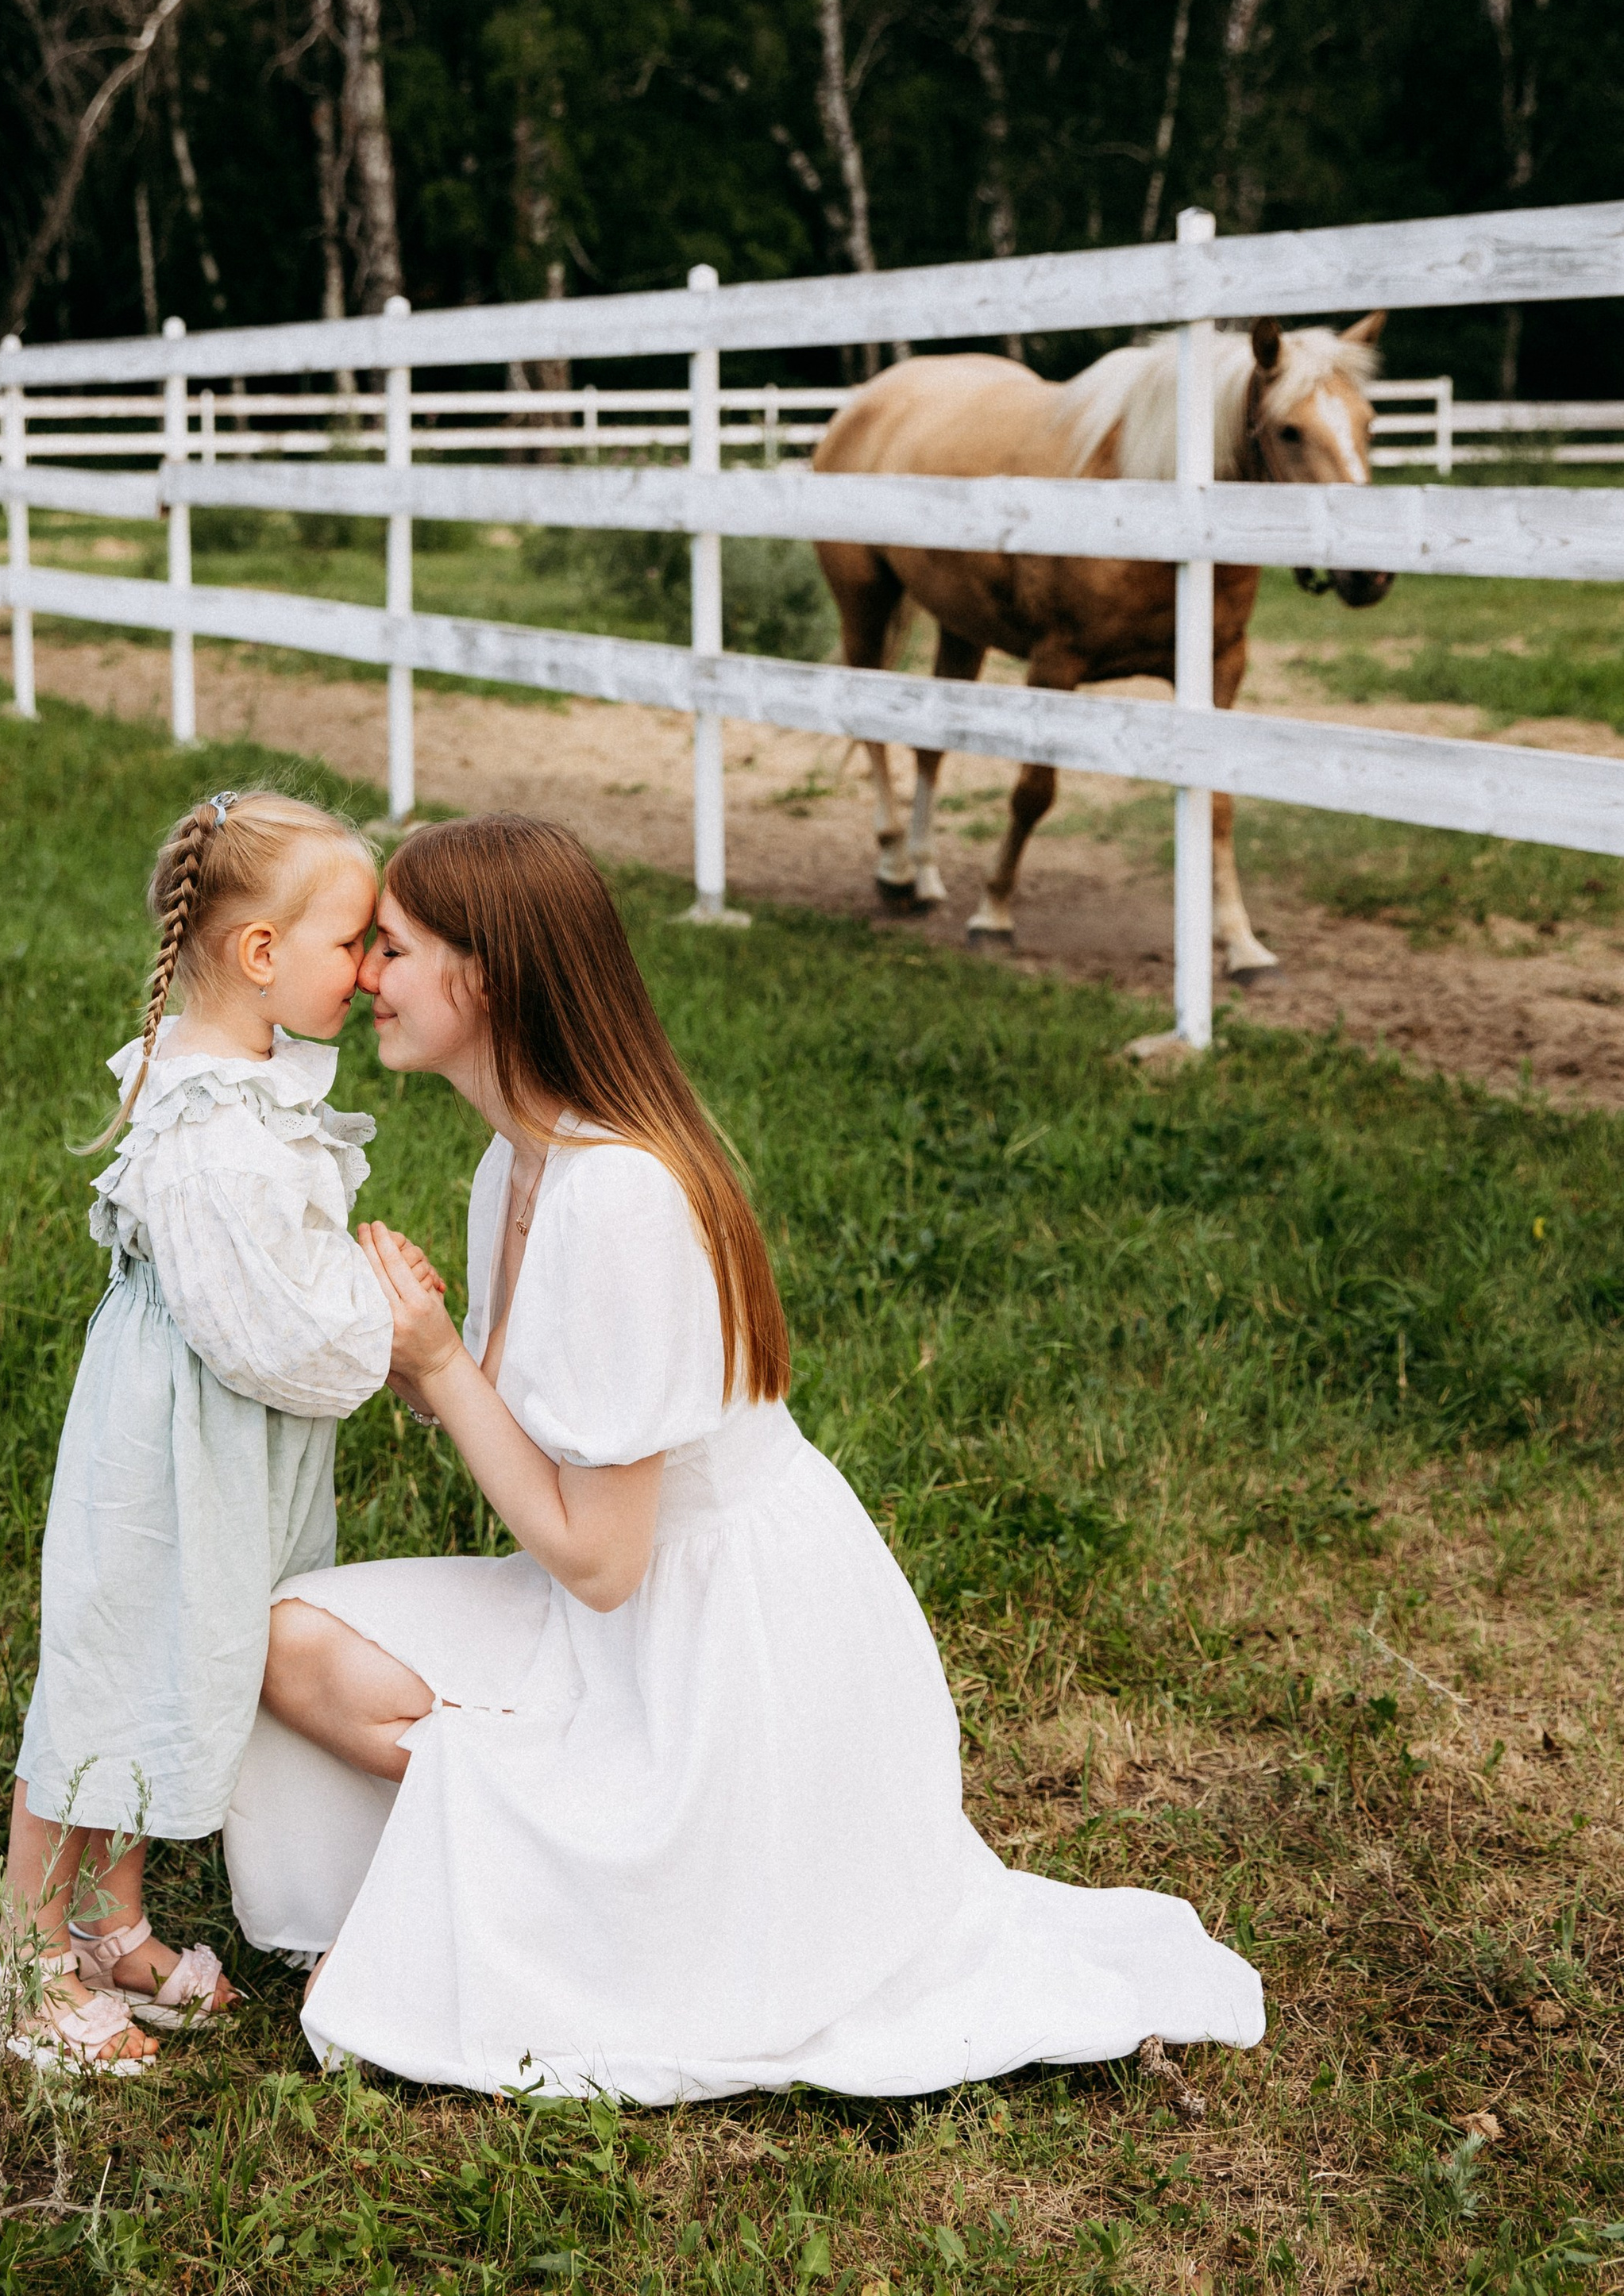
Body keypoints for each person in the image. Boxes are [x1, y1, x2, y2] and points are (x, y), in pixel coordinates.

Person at [222, 812, 1264, 2102]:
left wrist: (441, 1366)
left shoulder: (621, 1196)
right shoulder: (515, 1167)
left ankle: (532, 1886)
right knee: (291, 1642)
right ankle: (510, 1857)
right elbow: (531, 1415)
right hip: (611, 1613)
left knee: (352, 1669)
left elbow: (603, 1560)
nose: (368, 974)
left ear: (485, 975)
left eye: (395, 946)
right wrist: (401, 1351)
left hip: (730, 1651)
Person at [0, 787, 392, 2074]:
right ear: (261, 955)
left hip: (228, 1442)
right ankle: (22, 1962)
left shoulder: (249, 1086)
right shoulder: (208, 1127)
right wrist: (382, 1327)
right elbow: (261, 1329)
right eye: (351, 944)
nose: (368, 976)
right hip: (171, 1441)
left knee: (184, 1657)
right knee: (113, 1665)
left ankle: (109, 1916)